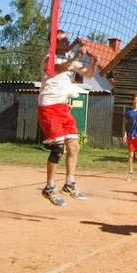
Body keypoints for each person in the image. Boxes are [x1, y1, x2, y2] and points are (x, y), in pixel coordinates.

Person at [38, 30, 97, 206]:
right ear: (53, 43)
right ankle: (49, 187)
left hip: (63, 107)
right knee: (58, 148)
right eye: (62, 39)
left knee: (74, 146)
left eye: (66, 38)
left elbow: (88, 74)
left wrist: (93, 64)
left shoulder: (70, 60)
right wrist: (75, 58)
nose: (66, 40)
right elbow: (57, 69)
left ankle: (69, 184)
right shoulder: (49, 58)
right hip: (49, 106)